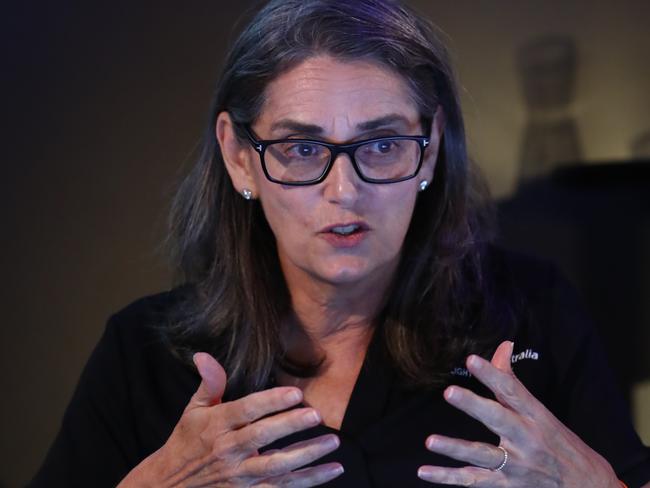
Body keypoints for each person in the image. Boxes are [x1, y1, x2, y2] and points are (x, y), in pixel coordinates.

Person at [30, 0, 650, 486]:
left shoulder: (532, 309)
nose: (344, 190)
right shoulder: (142, 354)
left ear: (429, 147)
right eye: (302, 149)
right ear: (239, 158)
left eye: (381, 145)